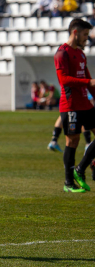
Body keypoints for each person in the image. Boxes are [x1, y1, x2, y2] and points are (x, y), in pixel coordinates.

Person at [54, 18, 95, 193]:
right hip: (70, 105)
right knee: (73, 141)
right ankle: (68, 183)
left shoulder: (81, 54)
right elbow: (63, 80)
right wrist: (88, 81)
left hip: (85, 103)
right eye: (85, 35)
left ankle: (81, 168)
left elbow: (89, 82)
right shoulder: (62, 53)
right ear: (75, 32)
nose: (87, 38)